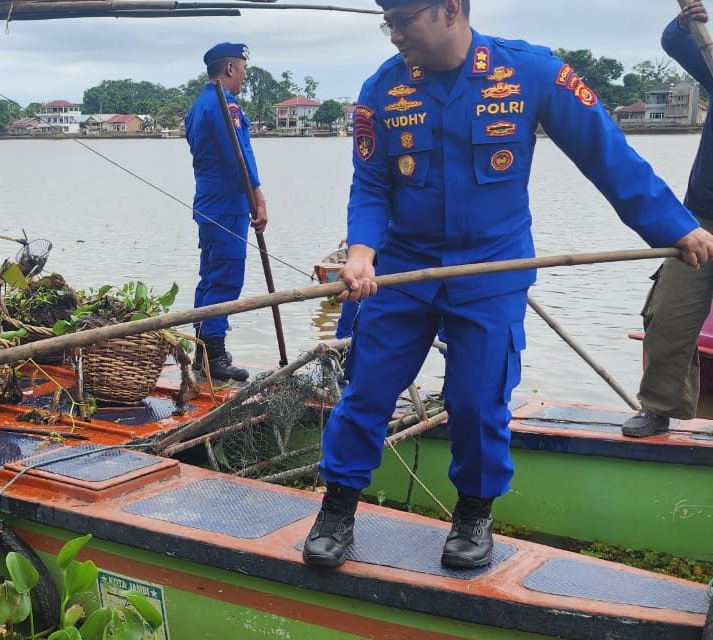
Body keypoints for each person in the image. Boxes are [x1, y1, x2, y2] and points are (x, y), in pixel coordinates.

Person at [302, 0, 713, 570]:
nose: (394, 34)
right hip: (402, 269)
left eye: (404, 19)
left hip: (491, 271)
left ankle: (473, 513)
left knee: (477, 400)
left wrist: (675, 226)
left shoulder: (531, 72)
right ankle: (338, 508)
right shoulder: (383, 90)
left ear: (450, 8)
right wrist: (361, 254)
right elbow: (371, 185)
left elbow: (606, 154)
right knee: (368, 390)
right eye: (387, 21)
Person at [623, 0, 713, 438]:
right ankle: (658, 408)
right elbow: (676, 43)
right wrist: (684, 23)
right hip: (701, 221)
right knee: (668, 314)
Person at [184, 42, 269, 383]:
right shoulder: (224, 104)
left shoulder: (198, 106)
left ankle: (203, 351)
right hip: (226, 206)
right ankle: (214, 353)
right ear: (230, 68)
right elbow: (240, 156)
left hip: (209, 204)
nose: (245, 75)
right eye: (244, 69)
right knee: (225, 278)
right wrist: (258, 198)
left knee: (210, 277)